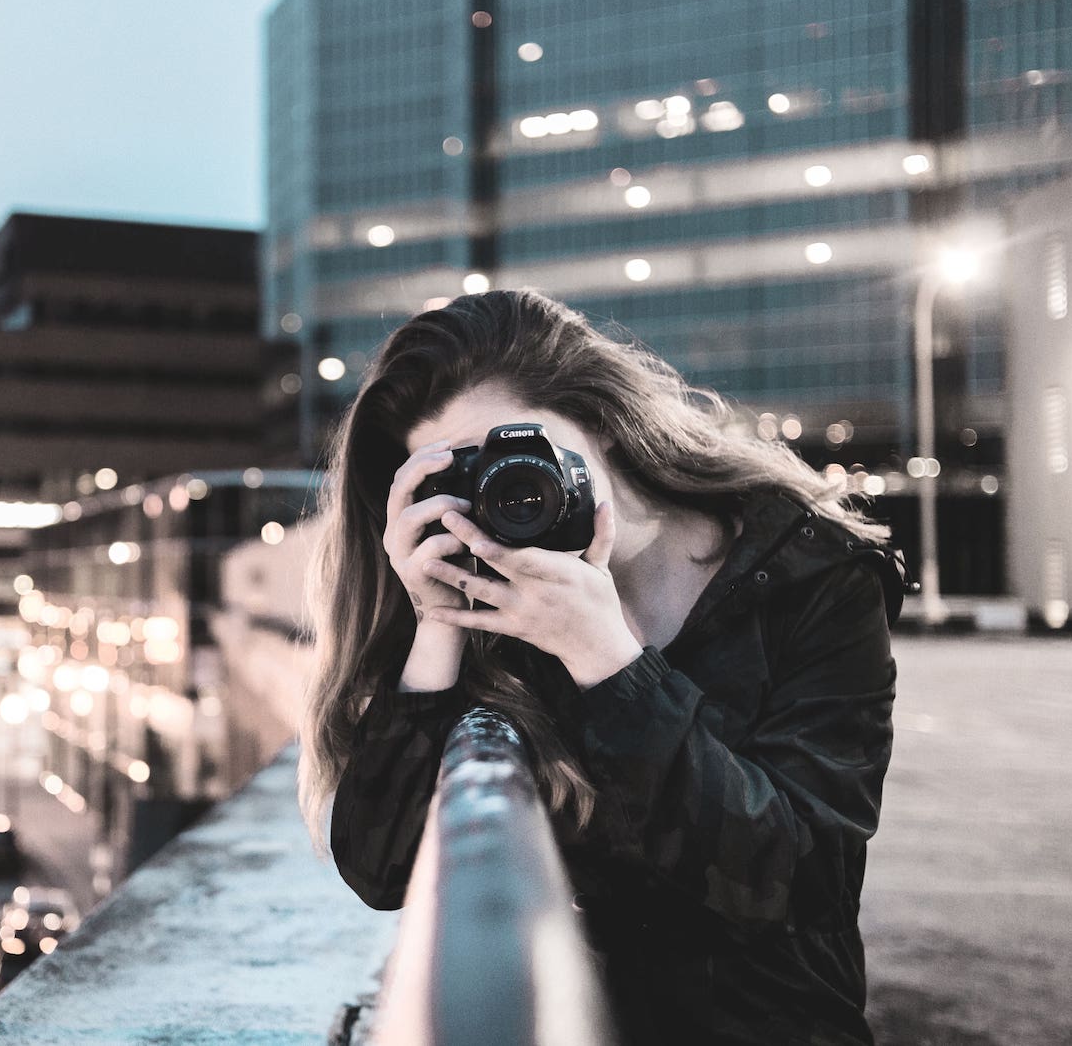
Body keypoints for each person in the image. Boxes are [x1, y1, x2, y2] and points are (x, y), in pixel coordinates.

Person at [299, 290, 905, 1045]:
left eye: (521, 452)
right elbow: (383, 870)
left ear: (607, 423)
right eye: (467, 474)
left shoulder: (812, 576)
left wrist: (606, 658)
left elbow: (800, 874)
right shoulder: (486, 606)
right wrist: (436, 622)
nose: (506, 489)